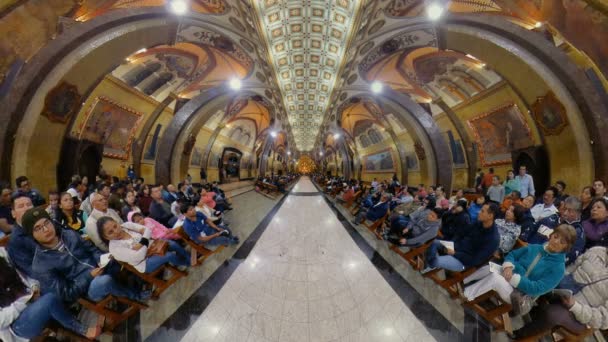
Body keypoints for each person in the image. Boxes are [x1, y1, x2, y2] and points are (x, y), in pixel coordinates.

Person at [23, 208, 150, 303]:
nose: (46, 229)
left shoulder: (69, 235)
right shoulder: (40, 264)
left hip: (100, 268)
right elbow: (67, 293)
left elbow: (92, 250)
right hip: (87, 290)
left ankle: (141, 278)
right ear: (31, 235)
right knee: (103, 281)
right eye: (38, 228)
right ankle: (135, 295)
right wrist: (89, 276)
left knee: (118, 253)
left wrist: (101, 259)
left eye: (47, 223)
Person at [0, 247, 101, 341]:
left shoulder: (2, 252)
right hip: (16, 326)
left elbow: (23, 277)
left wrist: (34, 286)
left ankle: (89, 307)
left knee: (53, 283)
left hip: (32, 299)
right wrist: (23, 304)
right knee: (49, 300)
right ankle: (82, 330)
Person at [463, 224, 576, 304]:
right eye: (556, 237)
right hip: (509, 276)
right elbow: (513, 255)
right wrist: (508, 267)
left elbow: (538, 288)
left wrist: (515, 279)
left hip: (521, 295)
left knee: (495, 278)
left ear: (566, 247)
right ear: (551, 235)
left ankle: (466, 295)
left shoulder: (558, 268)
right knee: (489, 268)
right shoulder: (536, 247)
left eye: (562, 242)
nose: (556, 242)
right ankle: (463, 281)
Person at [512, 246, 608, 339]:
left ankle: (518, 335)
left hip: (580, 313)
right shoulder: (597, 251)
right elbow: (572, 267)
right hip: (565, 289)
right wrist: (559, 279)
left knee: (553, 315)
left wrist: (575, 306)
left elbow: (603, 320)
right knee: (541, 277)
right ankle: (513, 307)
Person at [420, 203, 501, 273]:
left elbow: (475, 260)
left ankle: (431, 265)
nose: (478, 212)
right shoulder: (479, 223)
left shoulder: (493, 239)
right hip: (456, 247)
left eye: (482, 211)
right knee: (433, 242)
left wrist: (455, 253)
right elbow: (461, 233)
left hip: (463, 262)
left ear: (490, 216)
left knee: (436, 260)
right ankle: (429, 265)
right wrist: (452, 244)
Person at [97, 217, 189, 274]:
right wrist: (145, 240)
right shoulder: (114, 248)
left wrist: (141, 244)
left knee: (172, 243)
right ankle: (187, 263)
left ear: (117, 223)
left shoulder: (126, 225)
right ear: (106, 237)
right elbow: (138, 257)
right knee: (169, 255)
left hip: (153, 246)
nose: (116, 231)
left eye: (115, 226)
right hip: (144, 263)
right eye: (110, 232)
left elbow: (147, 230)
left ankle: (188, 258)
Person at [6, 194, 35, 276]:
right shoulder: (15, 241)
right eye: (21, 206)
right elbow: (32, 271)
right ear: (13, 213)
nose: (27, 209)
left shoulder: (44, 225)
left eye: (29, 205)